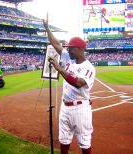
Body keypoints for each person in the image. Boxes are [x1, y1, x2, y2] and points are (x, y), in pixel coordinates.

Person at [43, 17, 96, 154]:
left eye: (71, 48)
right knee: (64, 139)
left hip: (80, 108)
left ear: (79, 49)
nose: (68, 51)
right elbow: (55, 43)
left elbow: (78, 83)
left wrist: (59, 69)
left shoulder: (88, 67)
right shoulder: (68, 57)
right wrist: (47, 28)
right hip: (65, 106)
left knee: (84, 141)